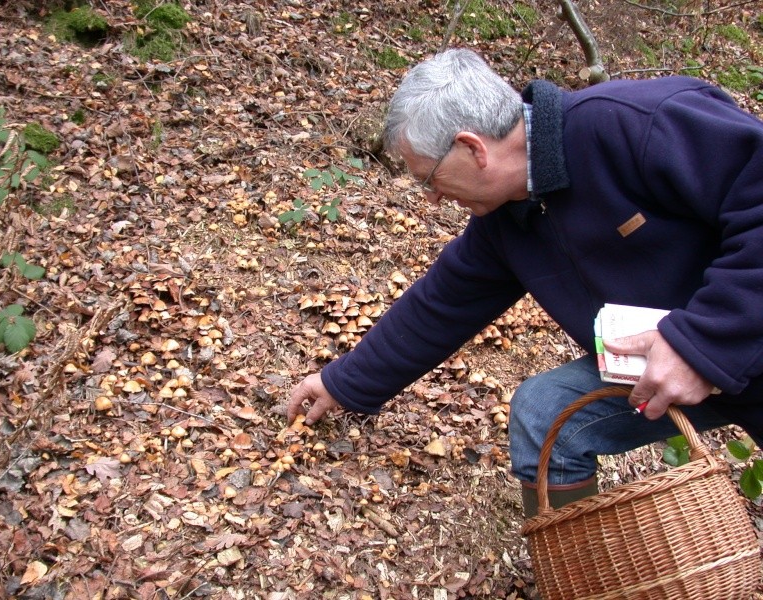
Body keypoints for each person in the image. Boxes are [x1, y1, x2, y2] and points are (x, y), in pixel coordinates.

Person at [286, 48, 763, 517]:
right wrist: (341, 382)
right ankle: (583, 580)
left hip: (736, 342)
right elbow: (441, 304)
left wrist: (703, 341)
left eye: (428, 178)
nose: (431, 198)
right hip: (666, 371)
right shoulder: (506, 220)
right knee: (545, 411)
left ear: (472, 148)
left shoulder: (636, 122)